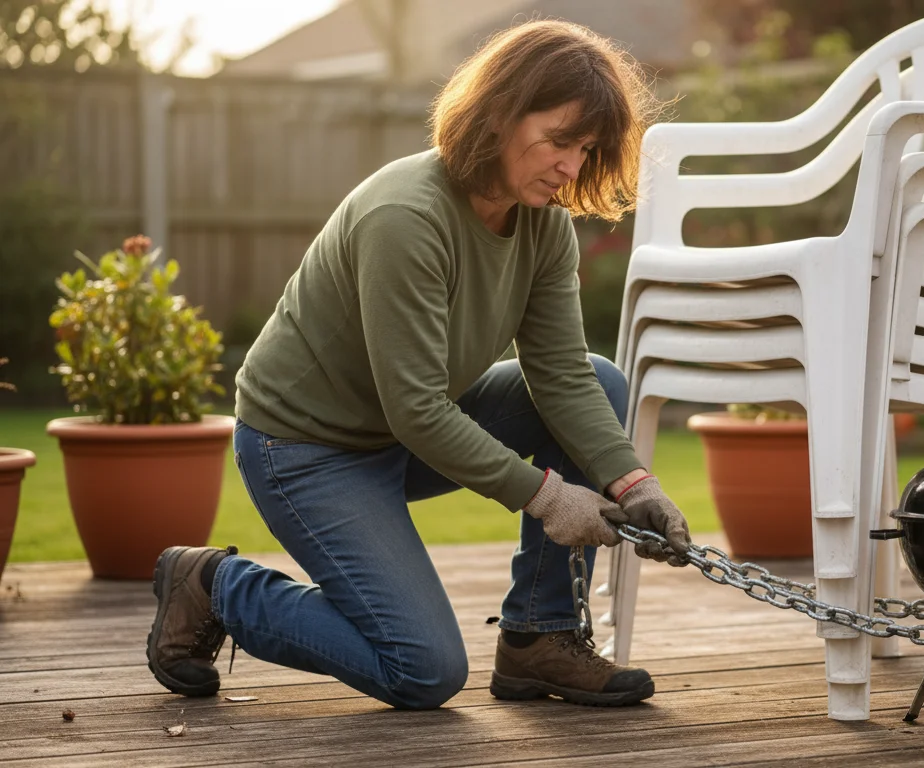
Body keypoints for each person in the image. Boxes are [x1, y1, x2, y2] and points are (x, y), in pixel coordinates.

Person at [145, 19, 693, 711]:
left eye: (585, 150)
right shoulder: (405, 216)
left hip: (403, 434)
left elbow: (559, 373)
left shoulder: (543, 224)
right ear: (498, 115)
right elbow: (417, 408)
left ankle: (539, 638)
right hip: (306, 449)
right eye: (559, 141)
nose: (571, 168)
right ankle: (215, 587)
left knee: (601, 377)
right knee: (422, 669)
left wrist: (633, 483)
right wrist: (551, 498)